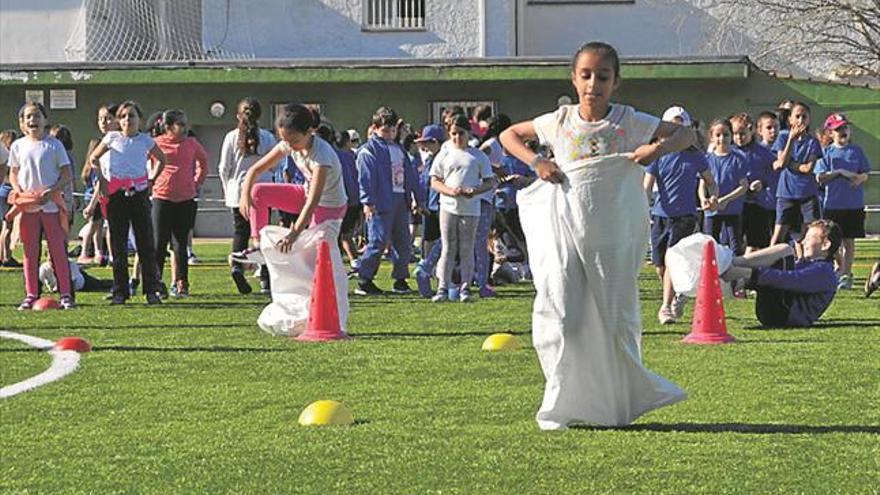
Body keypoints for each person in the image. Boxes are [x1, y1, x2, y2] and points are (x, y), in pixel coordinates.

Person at [500, 41, 692, 429]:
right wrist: (538, 161)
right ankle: (562, 401)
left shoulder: (628, 119)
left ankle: (617, 401)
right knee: (563, 312)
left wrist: (656, 149)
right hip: (565, 232)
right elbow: (509, 136)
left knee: (615, 318)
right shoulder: (559, 120)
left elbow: (687, 135)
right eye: (585, 75)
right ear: (573, 78)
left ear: (615, 82)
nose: (593, 84)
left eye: (602, 76)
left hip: (611, 237)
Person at [235, 103, 348, 258]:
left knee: (312, 254)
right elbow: (254, 171)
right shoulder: (289, 144)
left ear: (309, 131)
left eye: (293, 140)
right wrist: (245, 195)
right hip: (305, 195)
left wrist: (294, 234)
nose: (289, 145)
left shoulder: (321, 156)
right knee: (258, 192)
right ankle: (258, 245)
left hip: (328, 207)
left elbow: (313, 202)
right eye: (284, 140)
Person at [643, 105, 717, 324]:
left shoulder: (695, 156)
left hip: (684, 217)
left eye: (680, 128)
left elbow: (710, 182)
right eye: (671, 128)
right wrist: (641, 207)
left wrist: (712, 197)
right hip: (660, 216)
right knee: (660, 265)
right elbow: (647, 186)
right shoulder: (657, 154)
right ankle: (678, 293)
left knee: (671, 259)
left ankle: (665, 306)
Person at [88, 100, 166, 305]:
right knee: (118, 245)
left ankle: (151, 290)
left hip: (138, 195)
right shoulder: (112, 138)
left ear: (139, 119)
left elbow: (161, 160)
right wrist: (103, 180)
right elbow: (93, 159)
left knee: (145, 244)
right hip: (116, 197)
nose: (127, 120)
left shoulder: (145, 140)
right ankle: (120, 291)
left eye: (131, 116)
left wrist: (151, 180)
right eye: (122, 116)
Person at [6, 102, 74, 310]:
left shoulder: (54, 145)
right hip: (28, 207)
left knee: (57, 251)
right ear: (22, 123)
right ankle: (31, 293)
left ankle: (65, 294)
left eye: (36, 116)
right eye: (28, 117)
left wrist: (51, 191)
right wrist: (21, 192)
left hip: (51, 206)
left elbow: (66, 174)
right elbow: (14, 173)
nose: (33, 120)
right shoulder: (18, 146)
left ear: (44, 120)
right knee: (30, 252)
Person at [355, 107, 424, 296]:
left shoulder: (400, 150)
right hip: (380, 200)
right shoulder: (368, 151)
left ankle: (400, 280)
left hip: (400, 199)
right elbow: (365, 178)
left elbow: (411, 176)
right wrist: (367, 201)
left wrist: (418, 198)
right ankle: (364, 279)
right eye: (385, 130)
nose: (389, 134)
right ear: (375, 128)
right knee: (377, 240)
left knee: (403, 242)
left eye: (392, 130)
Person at [722, 219, 842, 327]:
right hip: (778, 312)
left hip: (783, 315)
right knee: (780, 258)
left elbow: (791, 281)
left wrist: (751, 274)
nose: (803, 242)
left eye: (809, 238)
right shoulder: (809, 264)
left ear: (825, 245)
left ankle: (730, 264)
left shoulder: (825, 272)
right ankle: (730, 272)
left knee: (785, 250)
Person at [429, 114, 496, 303]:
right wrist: (450, 191)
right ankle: (442, 288)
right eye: (453, 134)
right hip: (448, 206)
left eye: (461, 133)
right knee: (448, 247)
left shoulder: (478, 156)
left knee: (467, 248)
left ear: (468, 133)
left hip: (471, 207)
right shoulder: (444, 154)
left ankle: (466, 288)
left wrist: (474, 191)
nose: (457, 138)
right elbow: (434, 180)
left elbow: (489, 181)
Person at [218, 97, 277, 294]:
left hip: (238, 191)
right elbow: (275, 164)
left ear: (238, 116)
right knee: (263, 234)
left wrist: (228, 189)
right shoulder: (268, 137)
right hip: (263, 191)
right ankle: (266, 278)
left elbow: (224, 168)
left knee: (240, 232)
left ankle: (237, 266)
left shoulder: (231, 137)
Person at [152, 109, 208, 297]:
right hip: (162, 197)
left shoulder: (191, 144)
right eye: (180, 124)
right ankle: (156, 283)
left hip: (186, 199)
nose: (184, 128)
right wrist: (151, 180)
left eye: (186, 124)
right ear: (168, 127)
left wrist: (196, 182)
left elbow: (204, 163)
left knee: (180, 244)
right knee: (159, 243)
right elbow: (144, 163)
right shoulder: (156, 144)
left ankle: (181, 282)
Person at [814, 113, 871, 290]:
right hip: (832, 205)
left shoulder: (856, 151)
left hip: (853, 204)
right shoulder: (826, 152)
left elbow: (864, 173)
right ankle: (836, 269)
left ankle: (846, 274)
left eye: (845, 127)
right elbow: (820, 177)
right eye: (838, 129)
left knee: (849, 241)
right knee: (832, 241)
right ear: (830, 133)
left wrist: (859, 178)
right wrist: (839, 172)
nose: (843, 131)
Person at [770, 102, 822, 251]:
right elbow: (781, 163)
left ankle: (807, 266)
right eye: (797, 116)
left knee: (809, 234)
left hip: (807, 194)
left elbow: (808, 168)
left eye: (804, 116)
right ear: (790, 120)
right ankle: (770, 266)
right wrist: (791, 141)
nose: (800, 120)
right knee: (778, 234)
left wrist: (790, 164)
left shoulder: (813, 141)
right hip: (786, 193)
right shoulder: (783, 137)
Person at [474, 114, 511, 298]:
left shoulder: (499, 145)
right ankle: (482, 278)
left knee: (488, 236)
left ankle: (484, 277)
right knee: (482, 237)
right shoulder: (491, 145)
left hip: (490, 195)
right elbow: (479, 159)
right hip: (481, 196)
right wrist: (496, 170)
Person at [731, 113, 778, 255]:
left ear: (751, 130)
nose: (739, 137)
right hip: (735, 203)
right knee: (735, 240)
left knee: (758, 241)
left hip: (757, 203)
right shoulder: (729, 152)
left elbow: (773, 172)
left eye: (743, 133)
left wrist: (762, 183)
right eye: (735, 134)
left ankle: (754, 270)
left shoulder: (762, 152)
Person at [702, 119, 750, 259]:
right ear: (711, 137)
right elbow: (702, 184)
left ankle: (735, 278)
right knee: (711, 244)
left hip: (732, 210)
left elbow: (743, 186)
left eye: (726, 134)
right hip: (712, 211)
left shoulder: (738, 159)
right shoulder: (707, 159)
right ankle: (714, 276)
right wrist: (703, 199)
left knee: (735, 245)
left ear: (731, 136)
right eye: (718, 135)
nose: (722, 138)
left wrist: (725, 199)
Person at [80, 104, 117, 266]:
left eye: (108, 118)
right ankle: (92, 252)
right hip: (101, 192)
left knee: (107, 225)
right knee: (97, 224)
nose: (104, 122)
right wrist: (93, 202)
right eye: (101, 119)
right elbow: (99, 179)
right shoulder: (101, 145)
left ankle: (105, 254)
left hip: (116, 191)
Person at [413, 124, 445, 298]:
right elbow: (423, 182)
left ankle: (436, 276)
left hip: (443, 206)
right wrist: (420, 202)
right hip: (430, 207)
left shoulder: (445, 158)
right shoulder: (429, 160)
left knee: (444, 244)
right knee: (430, 242)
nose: (424, 146)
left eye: (427, 142)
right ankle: (427, 272)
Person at [335, 129, 362, 269]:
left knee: (339, 235)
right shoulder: (352, 156)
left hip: (340, 198)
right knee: (347, 234)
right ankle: (354, 261)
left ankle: (350, 261)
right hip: (354, 198)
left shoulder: (334, 156)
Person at [0, 129, 17, 267]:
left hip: (2, 191)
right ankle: (6, 256)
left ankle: (3, 255)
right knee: (8, 226)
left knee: (4, 225)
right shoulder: (9, 156)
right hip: (8, 191)